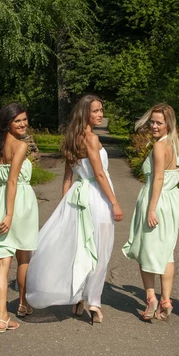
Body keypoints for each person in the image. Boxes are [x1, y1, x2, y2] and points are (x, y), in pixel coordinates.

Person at [26, 94, 123, 324]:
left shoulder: (72, 138)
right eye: (96, 111)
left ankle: (78, 297)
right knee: (100, 250)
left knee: (81, 249)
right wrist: (115, 202)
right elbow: (99, 174)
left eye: (101, 110)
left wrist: (65, 206)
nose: (101, 115)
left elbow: (68, 178)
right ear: (85, 114)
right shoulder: (91, 139)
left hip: (77, 198)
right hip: (96, 198)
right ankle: (94, 302)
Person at [122, 104, 179, 322]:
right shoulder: (175, 144)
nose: (154, 126)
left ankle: (151, 297)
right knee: (167, 252)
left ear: (169, 124)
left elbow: (158, 178)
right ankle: (166, 300)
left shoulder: (160, 147)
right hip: (172, 199)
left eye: (159, 122)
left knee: (146, 249)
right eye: (153, 121)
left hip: (157, 200)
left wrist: (151, 208)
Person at [0, 103, 39, 333]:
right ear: (8, 122)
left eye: (24, 120)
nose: (23, 124)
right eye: (17, 120)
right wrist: (10, 213)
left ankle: (2, 317)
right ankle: (23, 303)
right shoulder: (20, 145)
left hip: (0, 201)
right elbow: (14, 180)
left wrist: (0, 207)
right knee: (23, 257)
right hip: (19, 205)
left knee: (3, 262)